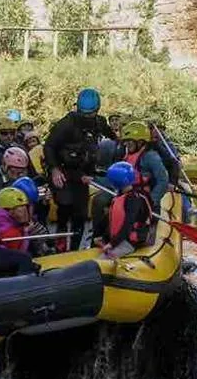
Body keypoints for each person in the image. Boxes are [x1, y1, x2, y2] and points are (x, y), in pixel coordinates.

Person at [44, 88, 117, 249]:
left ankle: (76, 247)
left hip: (82, 172)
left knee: (80, 212)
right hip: (62, 169)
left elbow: (114, 138)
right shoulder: (66, 124)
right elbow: (49, 146)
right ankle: (60, 238)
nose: (86, 118)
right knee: (65, 203)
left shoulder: (100, 122)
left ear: (97, 111)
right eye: (84, 115)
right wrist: (54, 169)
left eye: (90, 115)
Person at [93, 160, 157, 258]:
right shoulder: (120, 196)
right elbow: (108, 219)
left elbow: (128, 224)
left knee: (103, 259)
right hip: (119, 238)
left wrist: (112, 244)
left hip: (130, 242)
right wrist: (99, 235)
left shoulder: (134, 200)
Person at [119, 121, 172, 209]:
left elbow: (163, 180)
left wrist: (151, 202)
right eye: (125, 141)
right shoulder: (127, 155)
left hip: (145, 199)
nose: (126, 144)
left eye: (129, 141)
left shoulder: (150, 156)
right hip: (129, 196)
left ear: (140, 142)